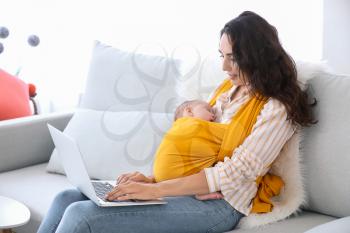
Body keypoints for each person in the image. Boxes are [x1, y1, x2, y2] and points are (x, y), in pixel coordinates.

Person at [37, 11, 316, 233]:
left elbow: (237, 172)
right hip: (191, 190)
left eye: (234, 59)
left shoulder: (276, 107)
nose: (224, 68)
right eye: (222, 56)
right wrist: (151, 179)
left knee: (81, 215)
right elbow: (195, 154)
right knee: (67, 198)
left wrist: (154, 190)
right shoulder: (228, 90)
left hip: (221, 206)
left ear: (258, 57)